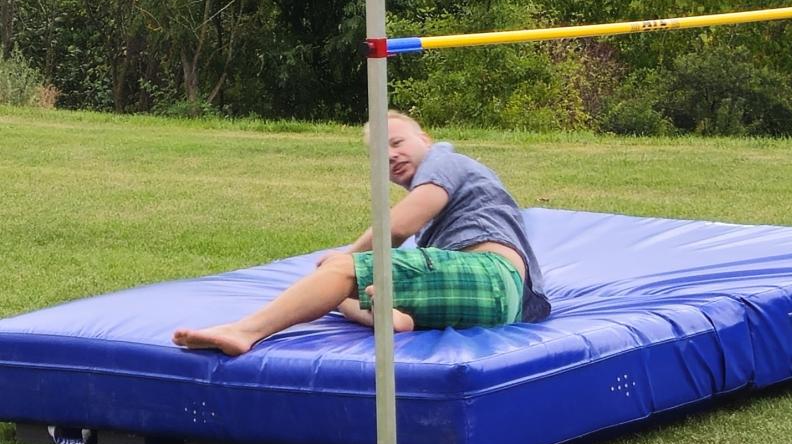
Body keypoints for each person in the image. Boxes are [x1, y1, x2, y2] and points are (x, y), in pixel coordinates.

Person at [173, 111, 551, 355]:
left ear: (426, 139)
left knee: (341, 272)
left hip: (491, 276)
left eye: (397, 143)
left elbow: (398, 227)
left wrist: (346, 259)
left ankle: (245, 331)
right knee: (336, 292)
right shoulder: (448, 188)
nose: (391, 155)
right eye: (381, 154)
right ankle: (396, 318)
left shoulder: (445, 161)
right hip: (500, 301)